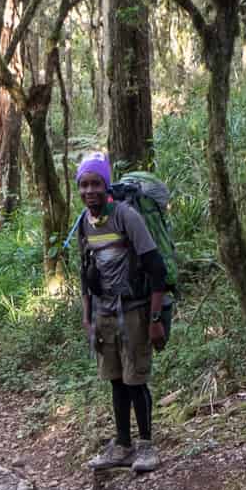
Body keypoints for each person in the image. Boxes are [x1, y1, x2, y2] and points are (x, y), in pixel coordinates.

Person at [75, 152, 167, 473]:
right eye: (84, 185)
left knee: (135, 378)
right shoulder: (84, 223)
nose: (90, 191)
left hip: (135, 310)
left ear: (106, 184)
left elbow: (157, 270)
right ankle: (122, 444)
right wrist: (88, 319)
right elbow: (85, 275)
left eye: (96, 184)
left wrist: (155, 320)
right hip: (104, 313)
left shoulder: (126, 216)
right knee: (115, 379)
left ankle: (146, 446)